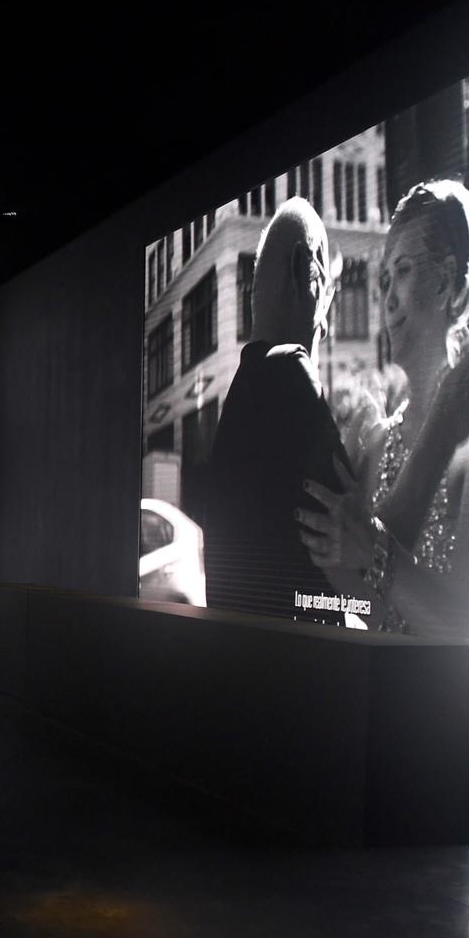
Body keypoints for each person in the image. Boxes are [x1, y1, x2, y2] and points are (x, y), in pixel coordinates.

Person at [297, 180, 469, 642]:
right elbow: (362, 609)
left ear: (443, 280)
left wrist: (370, 551)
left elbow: (461, 625)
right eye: (384, 281)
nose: (388, 298)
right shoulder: (378, 440)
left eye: (402, 271)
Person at [198, 198, 353, 623]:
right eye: (330, 287)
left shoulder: (243, 393)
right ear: (310, 272)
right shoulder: (289, 372)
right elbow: (362, 546)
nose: (324, 320)